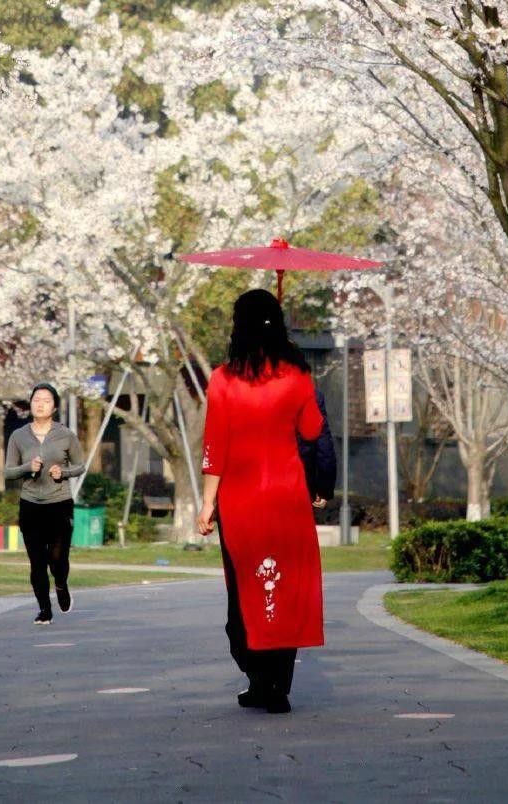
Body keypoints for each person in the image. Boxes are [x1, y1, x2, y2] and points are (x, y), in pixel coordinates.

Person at [198, 289, 324, 714]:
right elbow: (311, 430)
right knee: (283, 588)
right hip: (288, 497)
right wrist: (299, 379)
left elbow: (215, 445)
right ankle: (276, 686)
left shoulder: (222, 379)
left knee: (245, 590)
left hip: (241, 501)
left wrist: (206, 503)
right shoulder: (298, 376)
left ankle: (257, 674)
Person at [5, 382, 84, 625]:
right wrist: (28, 468)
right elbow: (8, 472)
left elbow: (80, 466)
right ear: (30, 404)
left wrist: (64, 473)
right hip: (31, 505)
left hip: (59, 504)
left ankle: (60, 584)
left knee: (58, 559)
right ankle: (44, 609)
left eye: (46, 400)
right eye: (36, 399)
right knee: (37, 562)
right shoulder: (18, 436)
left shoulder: (66, 435)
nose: (40, 404)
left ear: (55, 407)